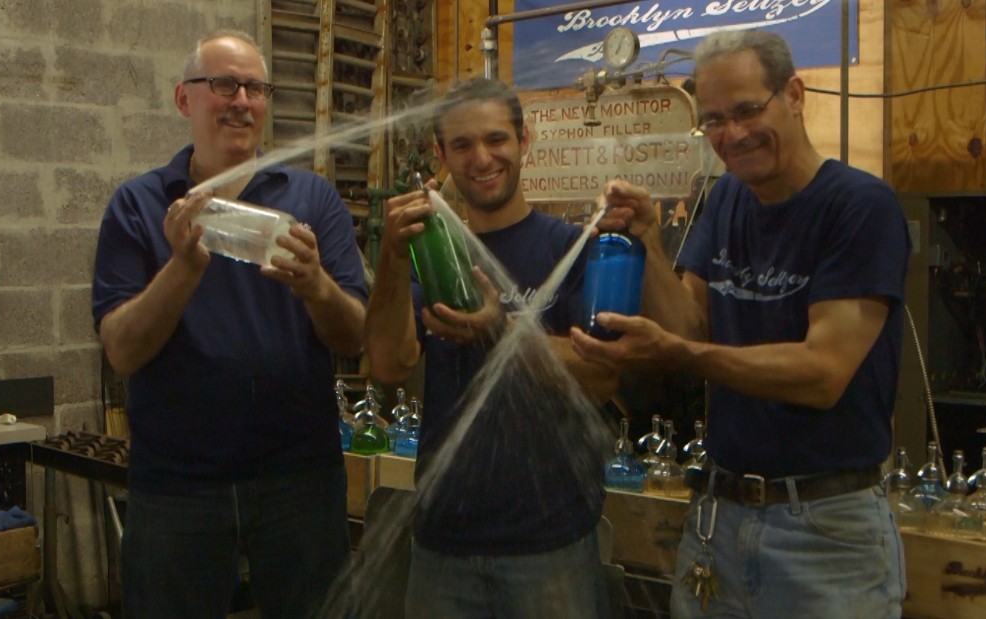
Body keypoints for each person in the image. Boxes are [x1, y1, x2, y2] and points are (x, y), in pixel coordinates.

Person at [570, 30, 910, 618]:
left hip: (825, 533)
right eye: (714, 120)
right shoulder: (726, 200)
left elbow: (822, 373)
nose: (732, 135)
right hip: (720, 518)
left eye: (748, 110)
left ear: (795, 95)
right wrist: (648, 241)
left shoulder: (860, 208)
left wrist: (677, 353)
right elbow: (694, 324)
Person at [91, 30, 366, 619]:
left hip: (301, 482)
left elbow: (354, 337)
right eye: (223, 84)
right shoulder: (139, 206)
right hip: (177, 488)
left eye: (255, 88)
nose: (242, 100)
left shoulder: (313, 199)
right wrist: (184, 267)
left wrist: (317, 286)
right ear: (184, 99)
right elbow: (122, 351)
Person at [363, 77, 616, 619]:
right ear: (441, 155)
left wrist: (499, 329)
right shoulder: (431, 251)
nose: (482, 157)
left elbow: (598, 379)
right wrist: (390, 257)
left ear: (525, 142)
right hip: (441, 543)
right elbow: (388, 364)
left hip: (550, 545)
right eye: (462, 145)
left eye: (496, 139)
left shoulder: (569, 249)